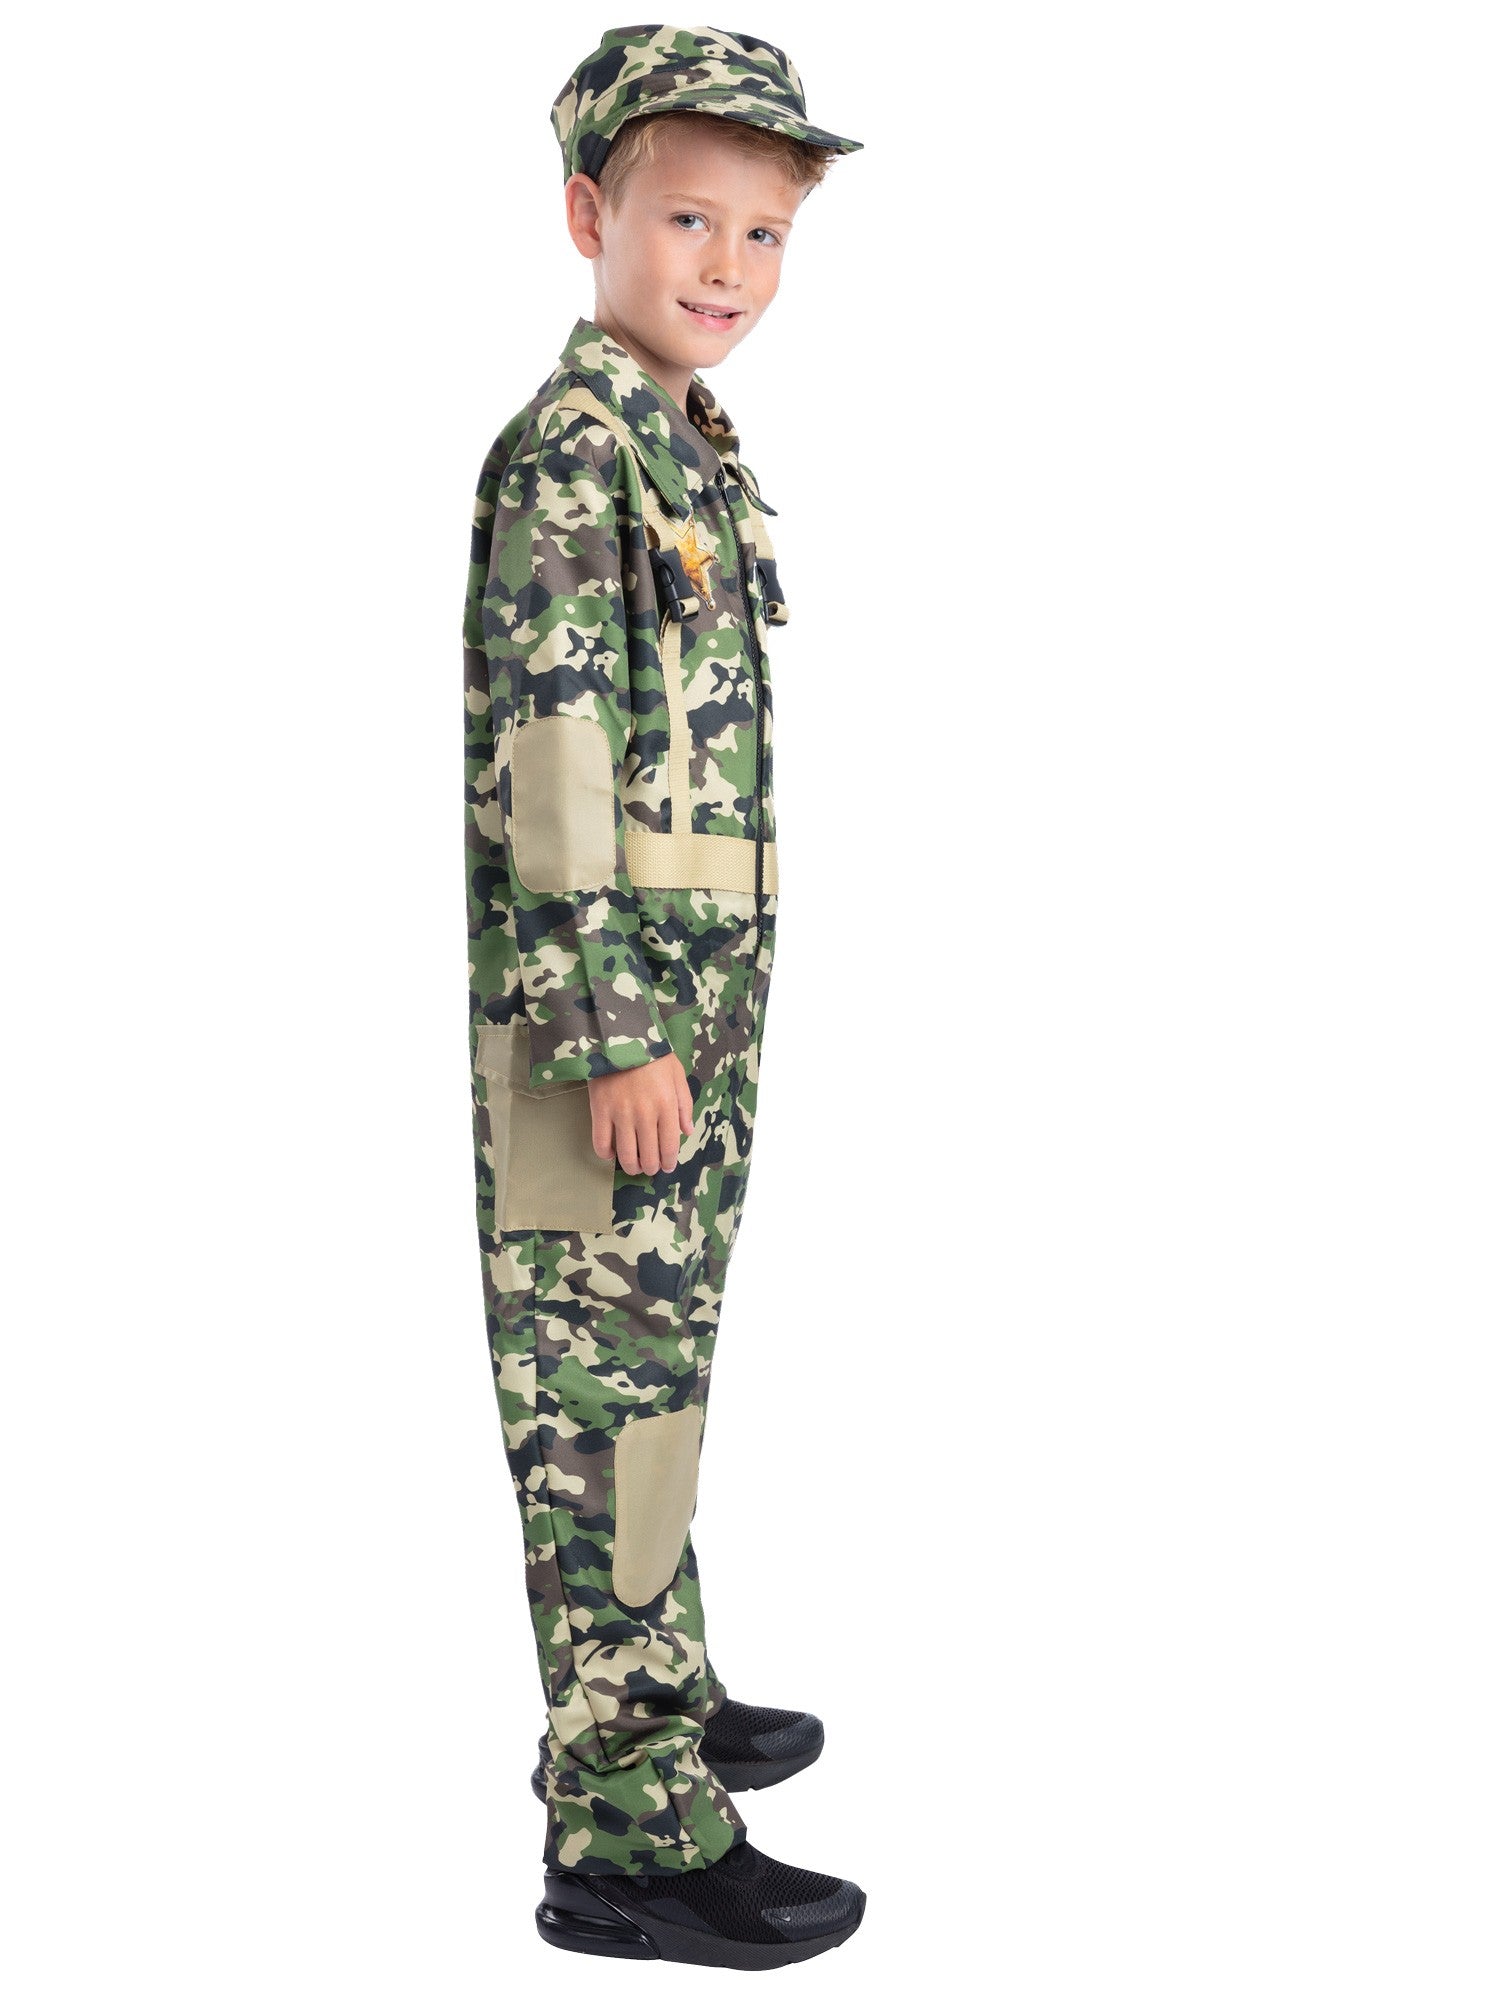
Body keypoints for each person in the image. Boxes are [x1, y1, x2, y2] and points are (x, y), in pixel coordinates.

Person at [461, 26, 866, 1970]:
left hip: (692, 997)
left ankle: (658, 1682)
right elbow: (552, 768)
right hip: (605, 1018)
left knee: (656, 1383)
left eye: (764, 233)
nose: (729, 265)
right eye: (690, 219)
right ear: (587, 215)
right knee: (600, 1414)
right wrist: (613, 1030)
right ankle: (624, 1832)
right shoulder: (574, 450)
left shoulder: (676, 437)